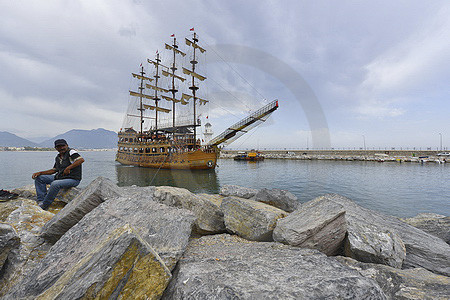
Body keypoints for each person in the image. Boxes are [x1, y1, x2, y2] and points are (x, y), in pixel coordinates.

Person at [32, 139, 84, 210]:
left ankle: (45, 205)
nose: (61, 148)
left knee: (55, 184)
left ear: (67, 145)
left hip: (73, 179)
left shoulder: (71, 152)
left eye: (63, 146)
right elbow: (54, 170)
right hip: (60, 178)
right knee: (40, 178)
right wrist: (40, 173)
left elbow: (80, 160)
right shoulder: (58, 157)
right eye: (59, 146)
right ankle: (41, 200)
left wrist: (68, 168)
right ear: (56, 148)